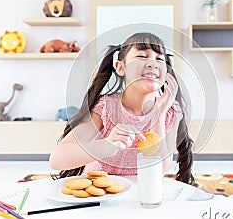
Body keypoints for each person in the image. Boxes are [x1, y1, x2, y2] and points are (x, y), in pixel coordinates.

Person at [49, 32, 195, 184]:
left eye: (159, 59)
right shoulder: (105, 107)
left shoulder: (170, 112)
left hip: (139, 196)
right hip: (100, 193)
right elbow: (57, 160)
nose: (153, 63)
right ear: (120, 67)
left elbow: (159, 171)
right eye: (142, 57)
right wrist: (107, 146)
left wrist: (159, 115)